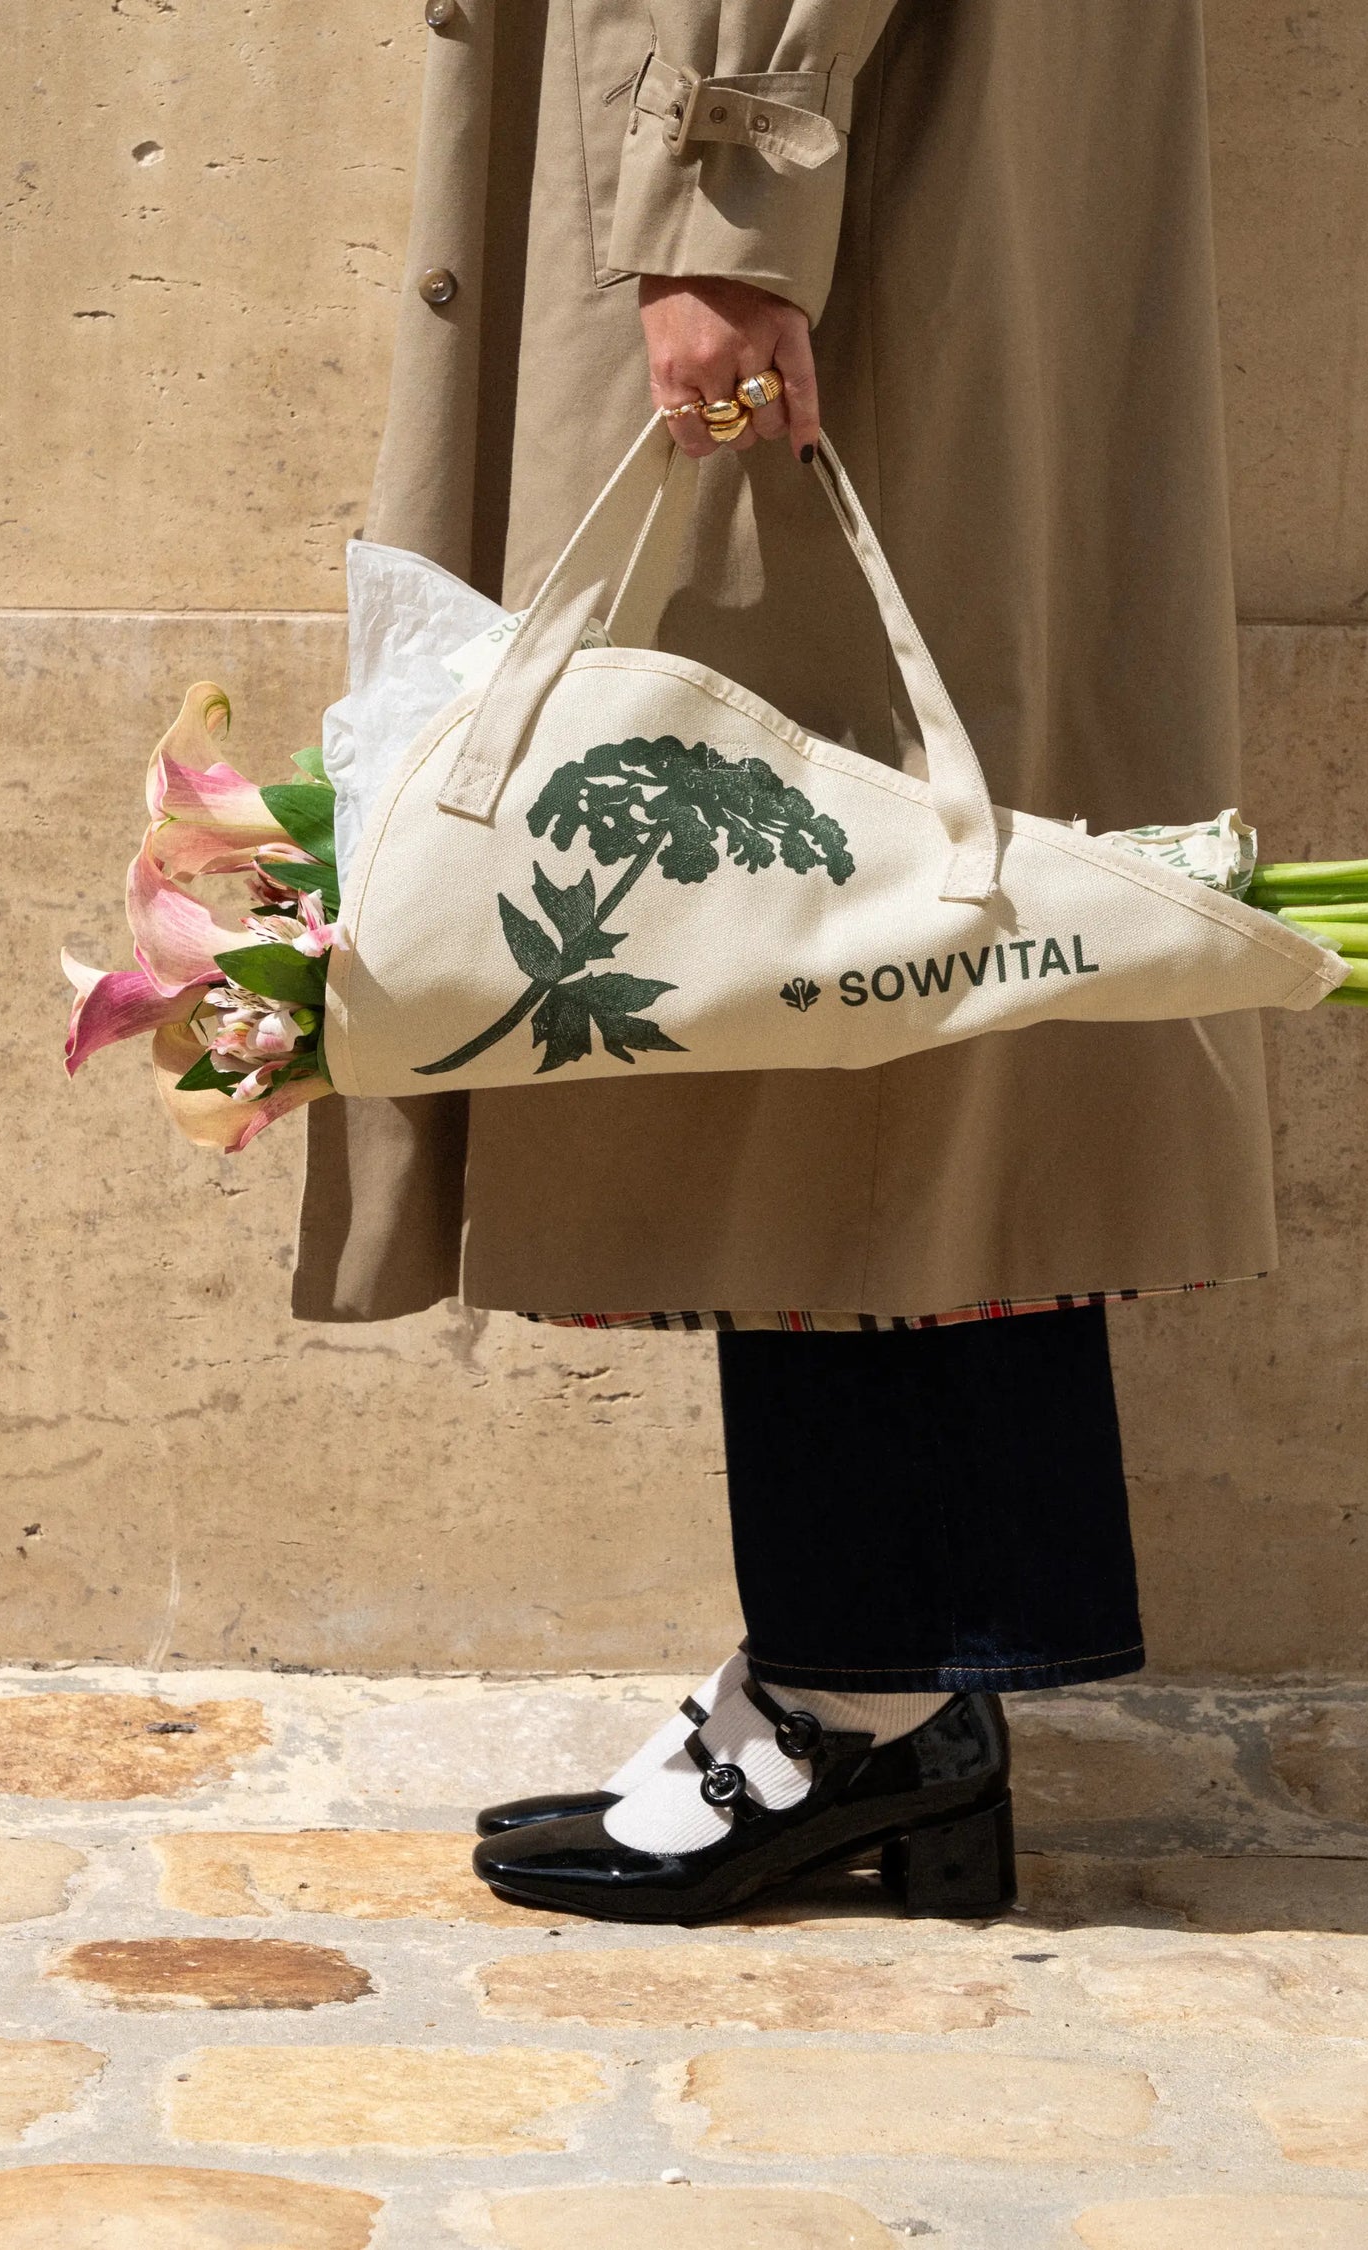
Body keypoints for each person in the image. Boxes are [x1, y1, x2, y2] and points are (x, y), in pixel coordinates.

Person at [296, 2, 1273, 1920]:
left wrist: (723, 200)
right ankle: (878, 1670)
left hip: (813, 178)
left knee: (823, 931)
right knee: (872, 933)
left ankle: (860, 1700)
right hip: (873, 161)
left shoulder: (749, 187)